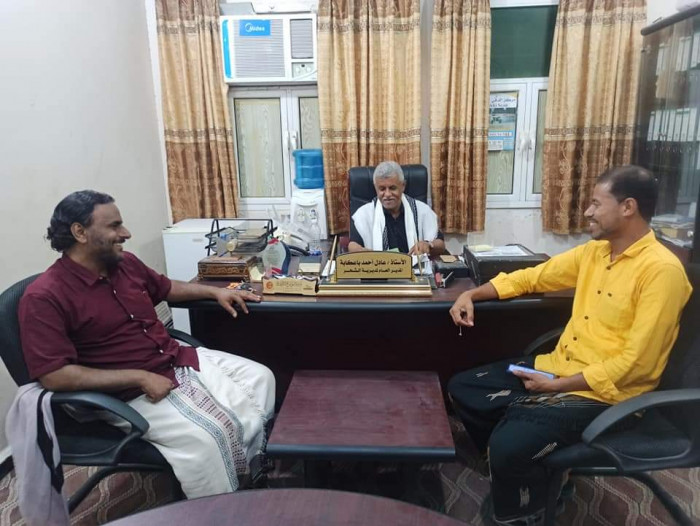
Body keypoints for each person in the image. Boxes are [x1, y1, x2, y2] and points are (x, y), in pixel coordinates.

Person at [447, 165, 692, 526]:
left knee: (508, 443)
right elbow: (532, 277)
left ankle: (525, 510)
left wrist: (557, 386)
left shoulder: (661, 271)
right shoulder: (595, 252)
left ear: (628, 207)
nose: (588, 212)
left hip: (606, 395)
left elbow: (635, 363)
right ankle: (532, 467)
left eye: (596, 203)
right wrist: (470, 294)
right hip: (557, 367)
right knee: (464, 387)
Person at [18, 190, 275, 499]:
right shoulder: (44, 296)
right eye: (114, 226)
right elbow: (55, 376)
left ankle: (251, 474)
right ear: (80, 232)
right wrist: (139, 377)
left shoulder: (125, 264)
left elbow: (166, 288)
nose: (126, 233)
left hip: (174, 359)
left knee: (261, 378)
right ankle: (221, 509)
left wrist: (214, 292)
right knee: (208, 439)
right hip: (128, 393)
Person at [348, 161, 446, 256]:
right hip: (379, 266)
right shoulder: (363, 214)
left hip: (415, 266)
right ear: (375, 188)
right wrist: (362, 252)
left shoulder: (422, 210)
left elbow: (440, 244)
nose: (387, 194)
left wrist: (429, 245)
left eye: (392, 188)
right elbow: (352, 245)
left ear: (403, 186)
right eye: (382, 189)